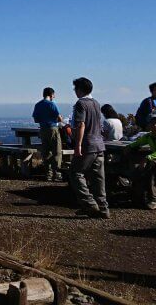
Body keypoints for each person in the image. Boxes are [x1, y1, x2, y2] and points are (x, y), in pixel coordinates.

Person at [70, 77, 109, 218]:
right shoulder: (96, 103)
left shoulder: (81, 103)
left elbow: (81, 124)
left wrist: (78, 144)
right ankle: (103, 208)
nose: (74, 91)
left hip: (88, 144)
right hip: (100, 145)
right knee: (99, 178)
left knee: (76, 173)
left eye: (75, 88)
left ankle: (89, 204)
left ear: (80, 89)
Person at [32, 87, 63, 181]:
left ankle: (48, 174)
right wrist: (58, 118)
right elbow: (59, 118)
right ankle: (56, 174)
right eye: (54, 95)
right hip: (52, 128)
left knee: (46, 152)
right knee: (56, 151)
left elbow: (36, 119)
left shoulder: (38, 105)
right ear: (51, 95)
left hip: (43, 129)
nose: (54, 97)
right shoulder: (52, 104)